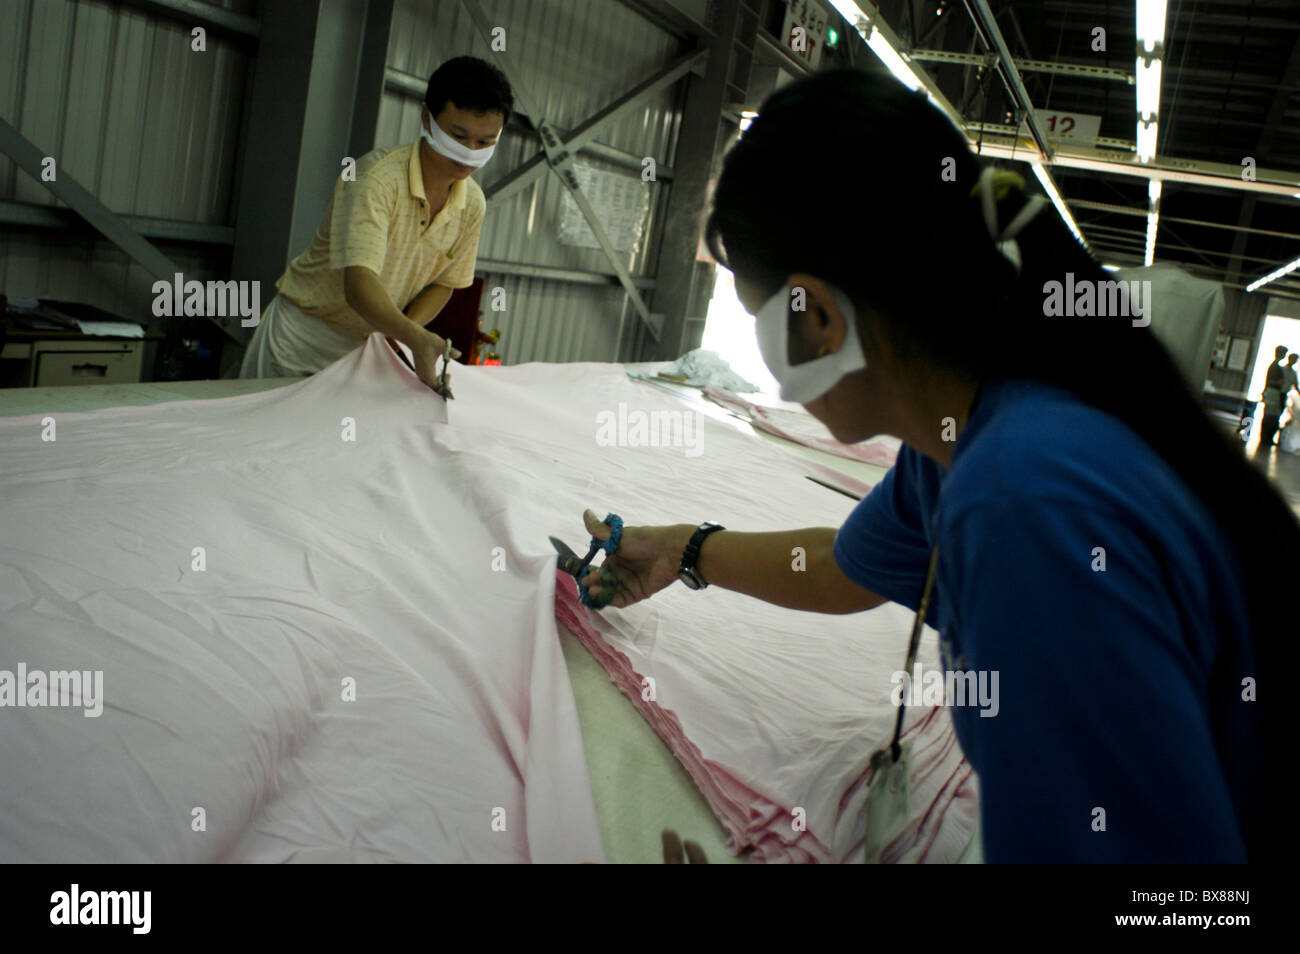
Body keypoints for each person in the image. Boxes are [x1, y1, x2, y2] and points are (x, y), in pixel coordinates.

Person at [574, 69, 1287, 863]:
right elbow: (840, 572)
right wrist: (683, 548)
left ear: (816, 318)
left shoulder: (1025, 500)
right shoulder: (961, 440)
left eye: (763, 325)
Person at [240, 56, 513, 389]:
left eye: (485, 143)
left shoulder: (472, 203)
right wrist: (413, 336)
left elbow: (446, 281)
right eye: (458, 136)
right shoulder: (376, 179)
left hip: (370, 349)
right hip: (303, 340)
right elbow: (359, 285)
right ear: (427, 118)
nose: (469, 153)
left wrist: (404, 334)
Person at [1258, 345, 1289, 448]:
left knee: (1271, 415)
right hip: (1273, 392)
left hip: (1272, 392)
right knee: (1270, 416)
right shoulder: (1275, 367)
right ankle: (1265, 438)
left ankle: (1266, 438)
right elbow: (1271, 381)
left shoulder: (1275, 366)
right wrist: (1279, 382)